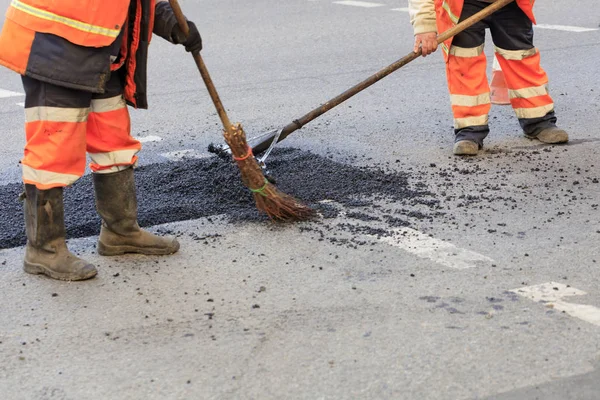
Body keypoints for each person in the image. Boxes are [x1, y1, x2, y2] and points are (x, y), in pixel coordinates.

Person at [0, 0, 203, 281]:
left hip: (102, 49)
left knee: (113, 141)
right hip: (56, 45)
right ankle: (44, 249)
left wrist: (168, 20)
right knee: (53, 150)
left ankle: (121, 231)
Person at [408, 0, 569, 155]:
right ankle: (470, 129)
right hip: (463, 5)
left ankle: (538, 120)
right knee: (465, 63)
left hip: (510, 4)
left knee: (520, 57)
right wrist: (425, 25)